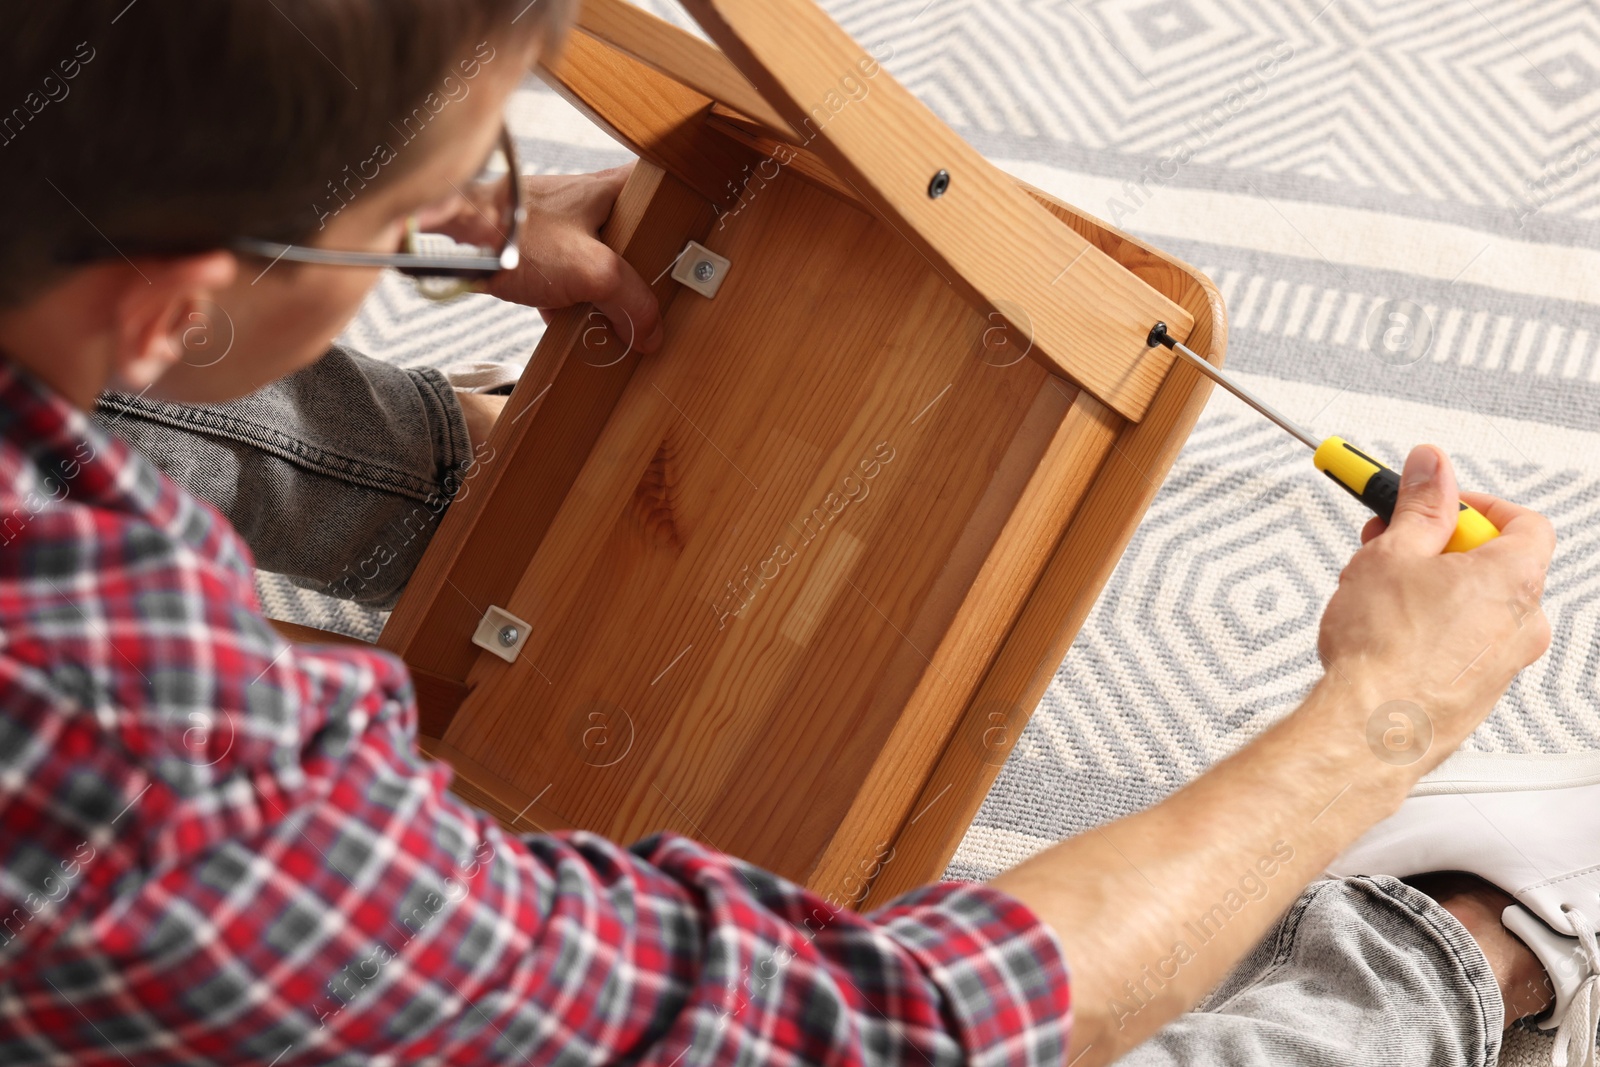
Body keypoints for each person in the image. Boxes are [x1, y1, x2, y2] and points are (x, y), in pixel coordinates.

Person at [0, 2, 1588, 1065]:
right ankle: (1449, 954)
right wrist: (1376, 727)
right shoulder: (141, 763)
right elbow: (864, 1024)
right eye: (444, 175)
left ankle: (484, 509)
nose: (479, 197)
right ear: (172, 298)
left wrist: (447, 222)